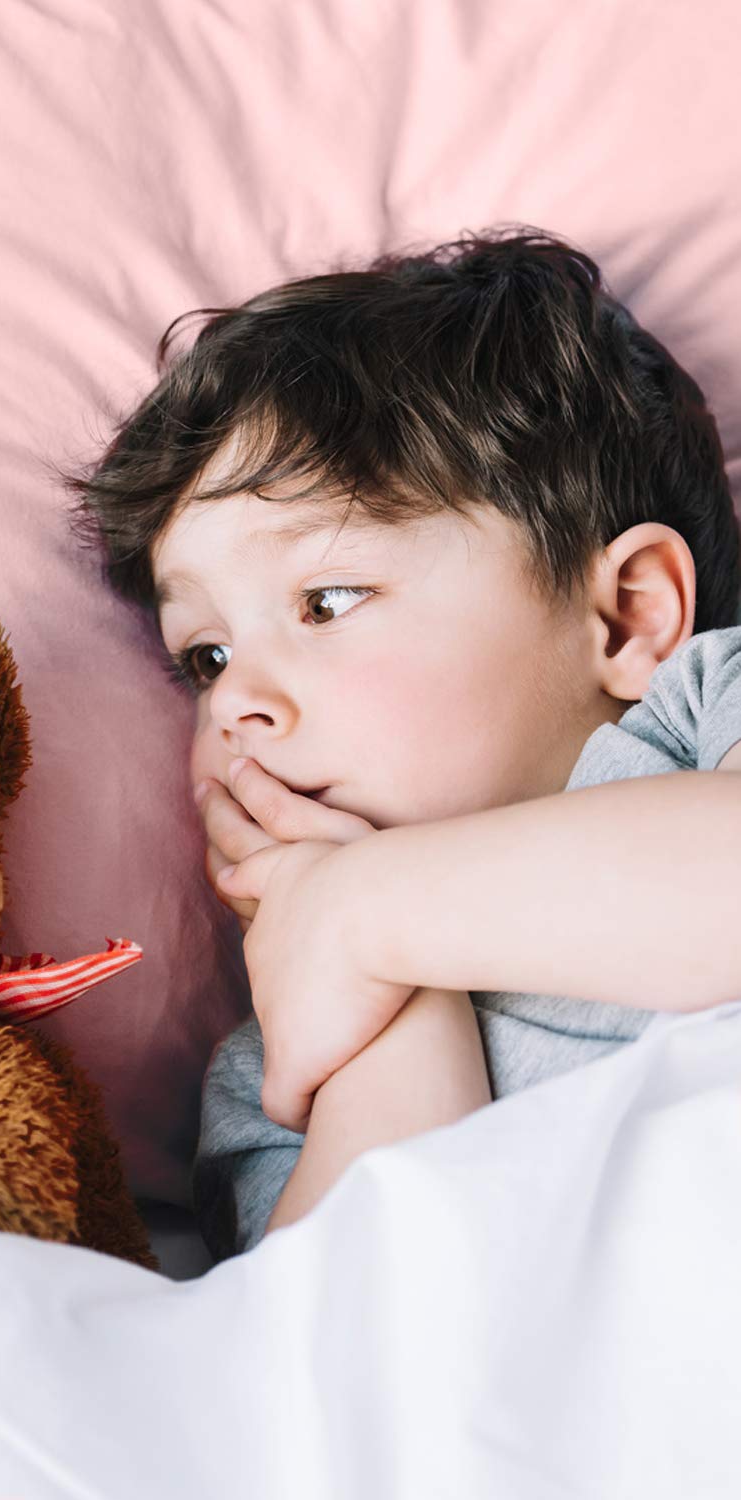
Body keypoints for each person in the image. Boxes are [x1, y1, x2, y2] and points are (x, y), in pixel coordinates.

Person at [56, 225, 741, 1260]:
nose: (234, 701)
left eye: (327, 601)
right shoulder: (287, 1056)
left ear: (626, 619)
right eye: (205, 656)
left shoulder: (703, 712)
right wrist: (393, 1003)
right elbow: (362, 1319)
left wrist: (369, 909)